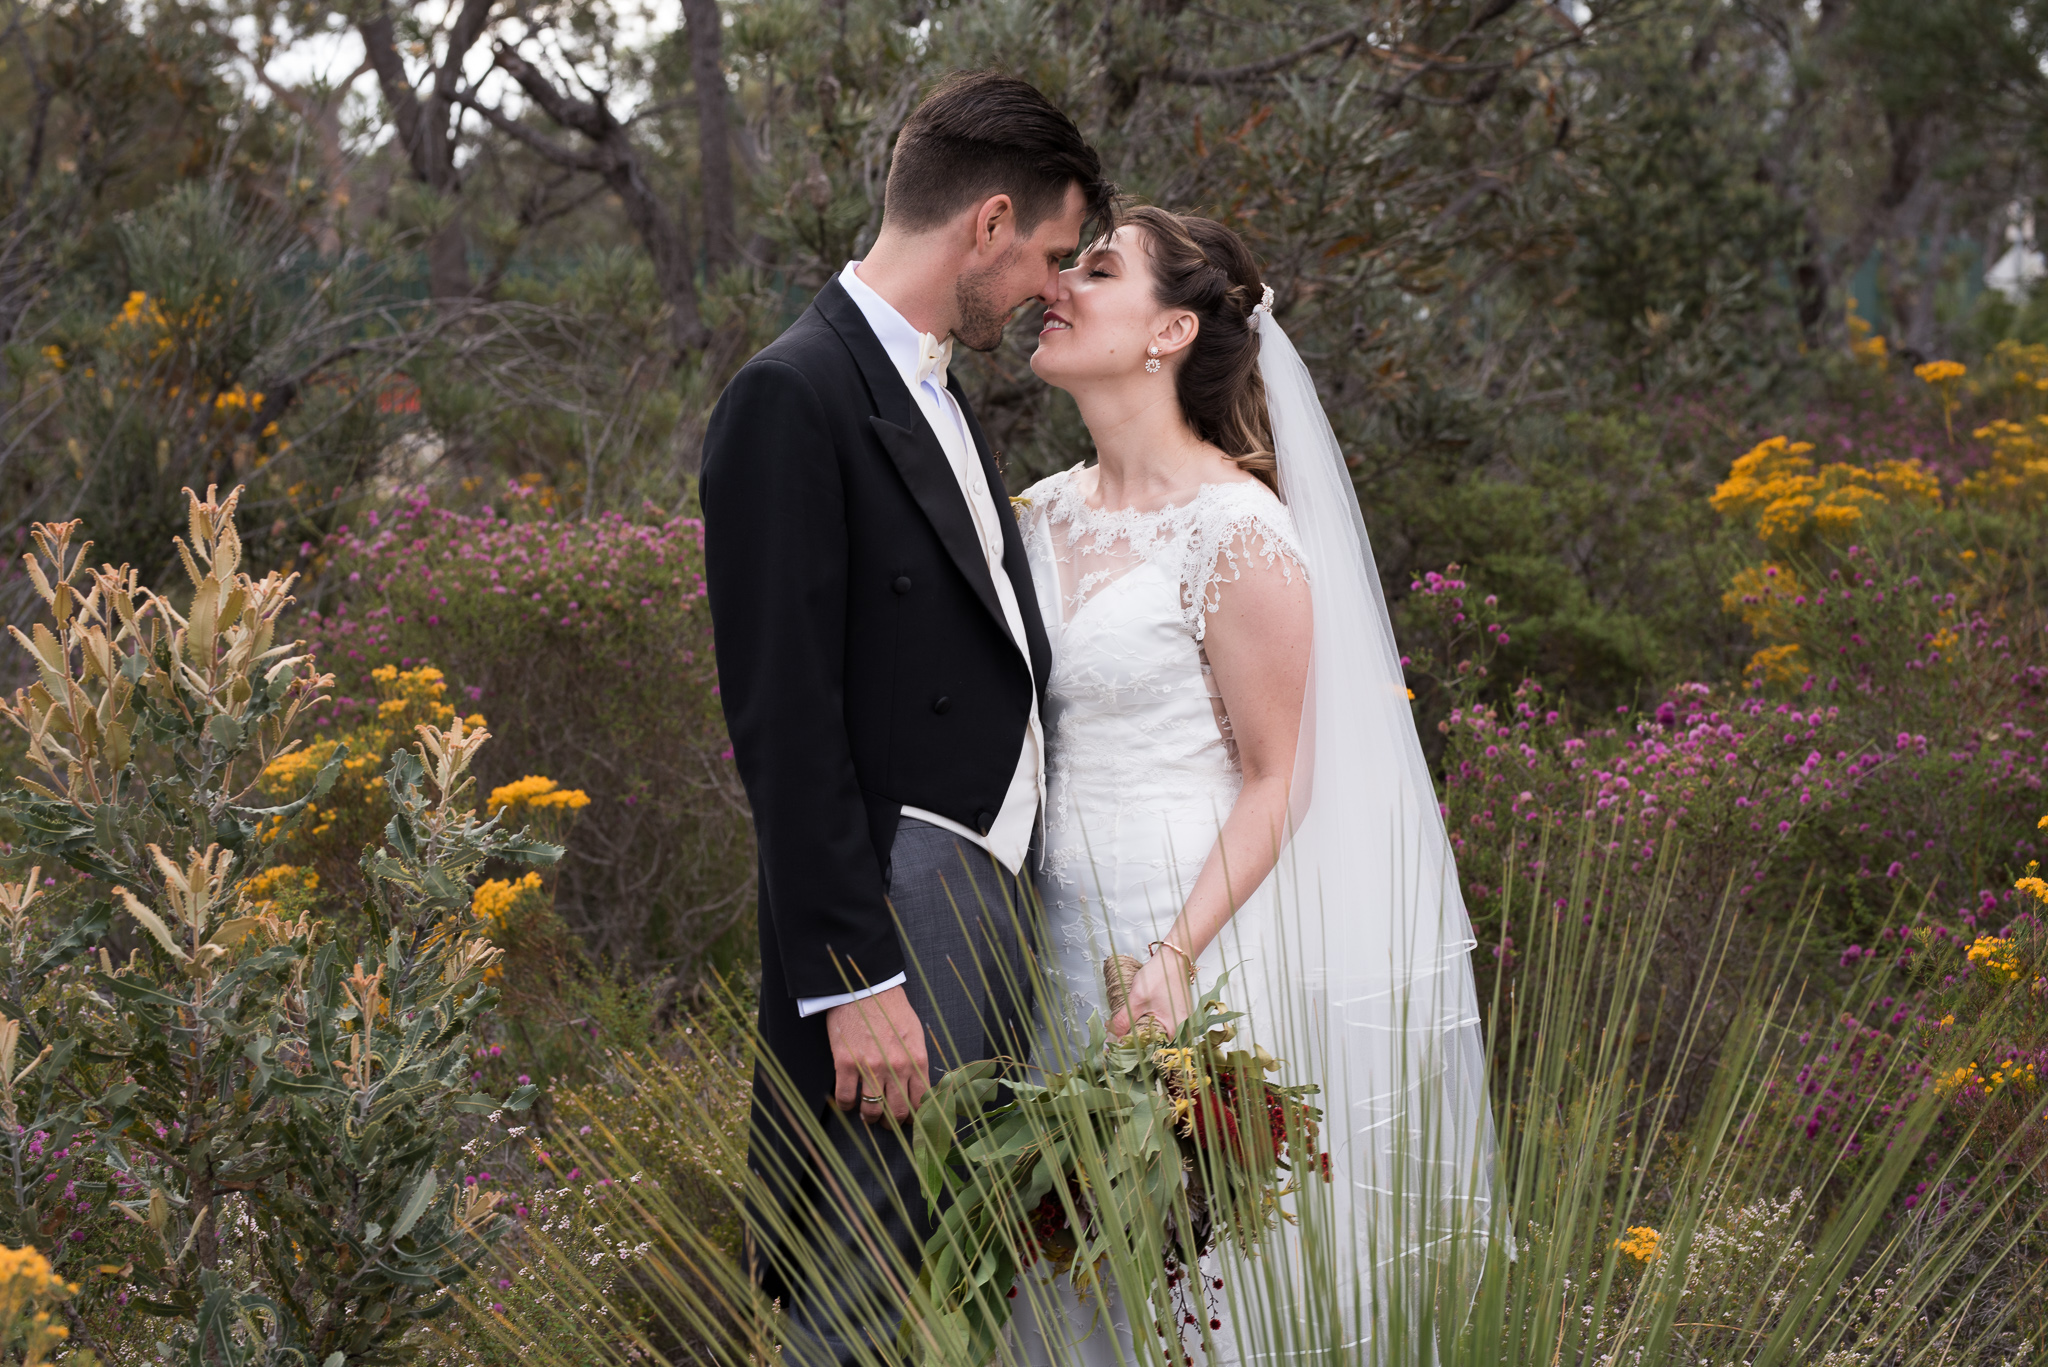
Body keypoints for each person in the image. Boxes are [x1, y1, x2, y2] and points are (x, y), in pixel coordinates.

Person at [1008, 207, 1496, 1363]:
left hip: (1187, 954)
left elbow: (1279, 778)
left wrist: (1174, 956)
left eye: (1095, 268)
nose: (1055, 286)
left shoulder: (1237, 528)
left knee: (1197, 1291)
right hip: (1039, 951)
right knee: (1061, 1279)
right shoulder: (1031, 512)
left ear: (1169, 329)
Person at [698, 71, 1117, 1366]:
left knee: (951, 1281)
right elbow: (781, 717)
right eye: (1053, 253)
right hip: (898, 918)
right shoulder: (795, 393)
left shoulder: (936, 397)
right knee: (861, 1293)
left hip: (988, 906)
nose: (1056, 289)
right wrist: (854, 977)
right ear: (986, 224)